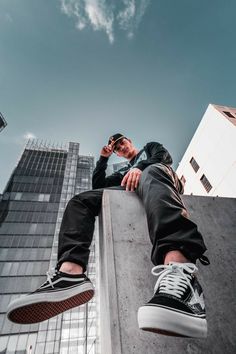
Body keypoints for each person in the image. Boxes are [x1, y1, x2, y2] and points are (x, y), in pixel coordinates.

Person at [7, 134, 209, 338]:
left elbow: (164, 157)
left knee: (152, 170)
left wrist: (140, 167)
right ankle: (70, 274)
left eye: (122, 142)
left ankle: (182, 273)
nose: (120, 147)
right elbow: (98, 186)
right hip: (129, 188)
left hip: (159, 176)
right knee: (80, 201)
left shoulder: (149, 148)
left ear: (129, 141)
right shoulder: (121, 171)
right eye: (116, 147)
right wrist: (103, 160)